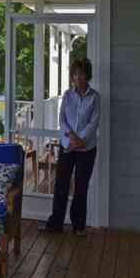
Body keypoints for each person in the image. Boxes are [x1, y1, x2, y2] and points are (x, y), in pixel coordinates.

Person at [46, 57, 100, 236]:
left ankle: (78, 225)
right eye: (75, 74)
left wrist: (81, 140)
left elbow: (93, 123)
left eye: (82, 74)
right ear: (72, 77)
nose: (78, 78)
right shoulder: (67, 96)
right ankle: (56, 224)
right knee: (61, 184)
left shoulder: (95, 97)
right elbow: (62, 120)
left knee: (81, 186)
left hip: (87, 149)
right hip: (67, 146)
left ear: (87, 75)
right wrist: (72, 139)